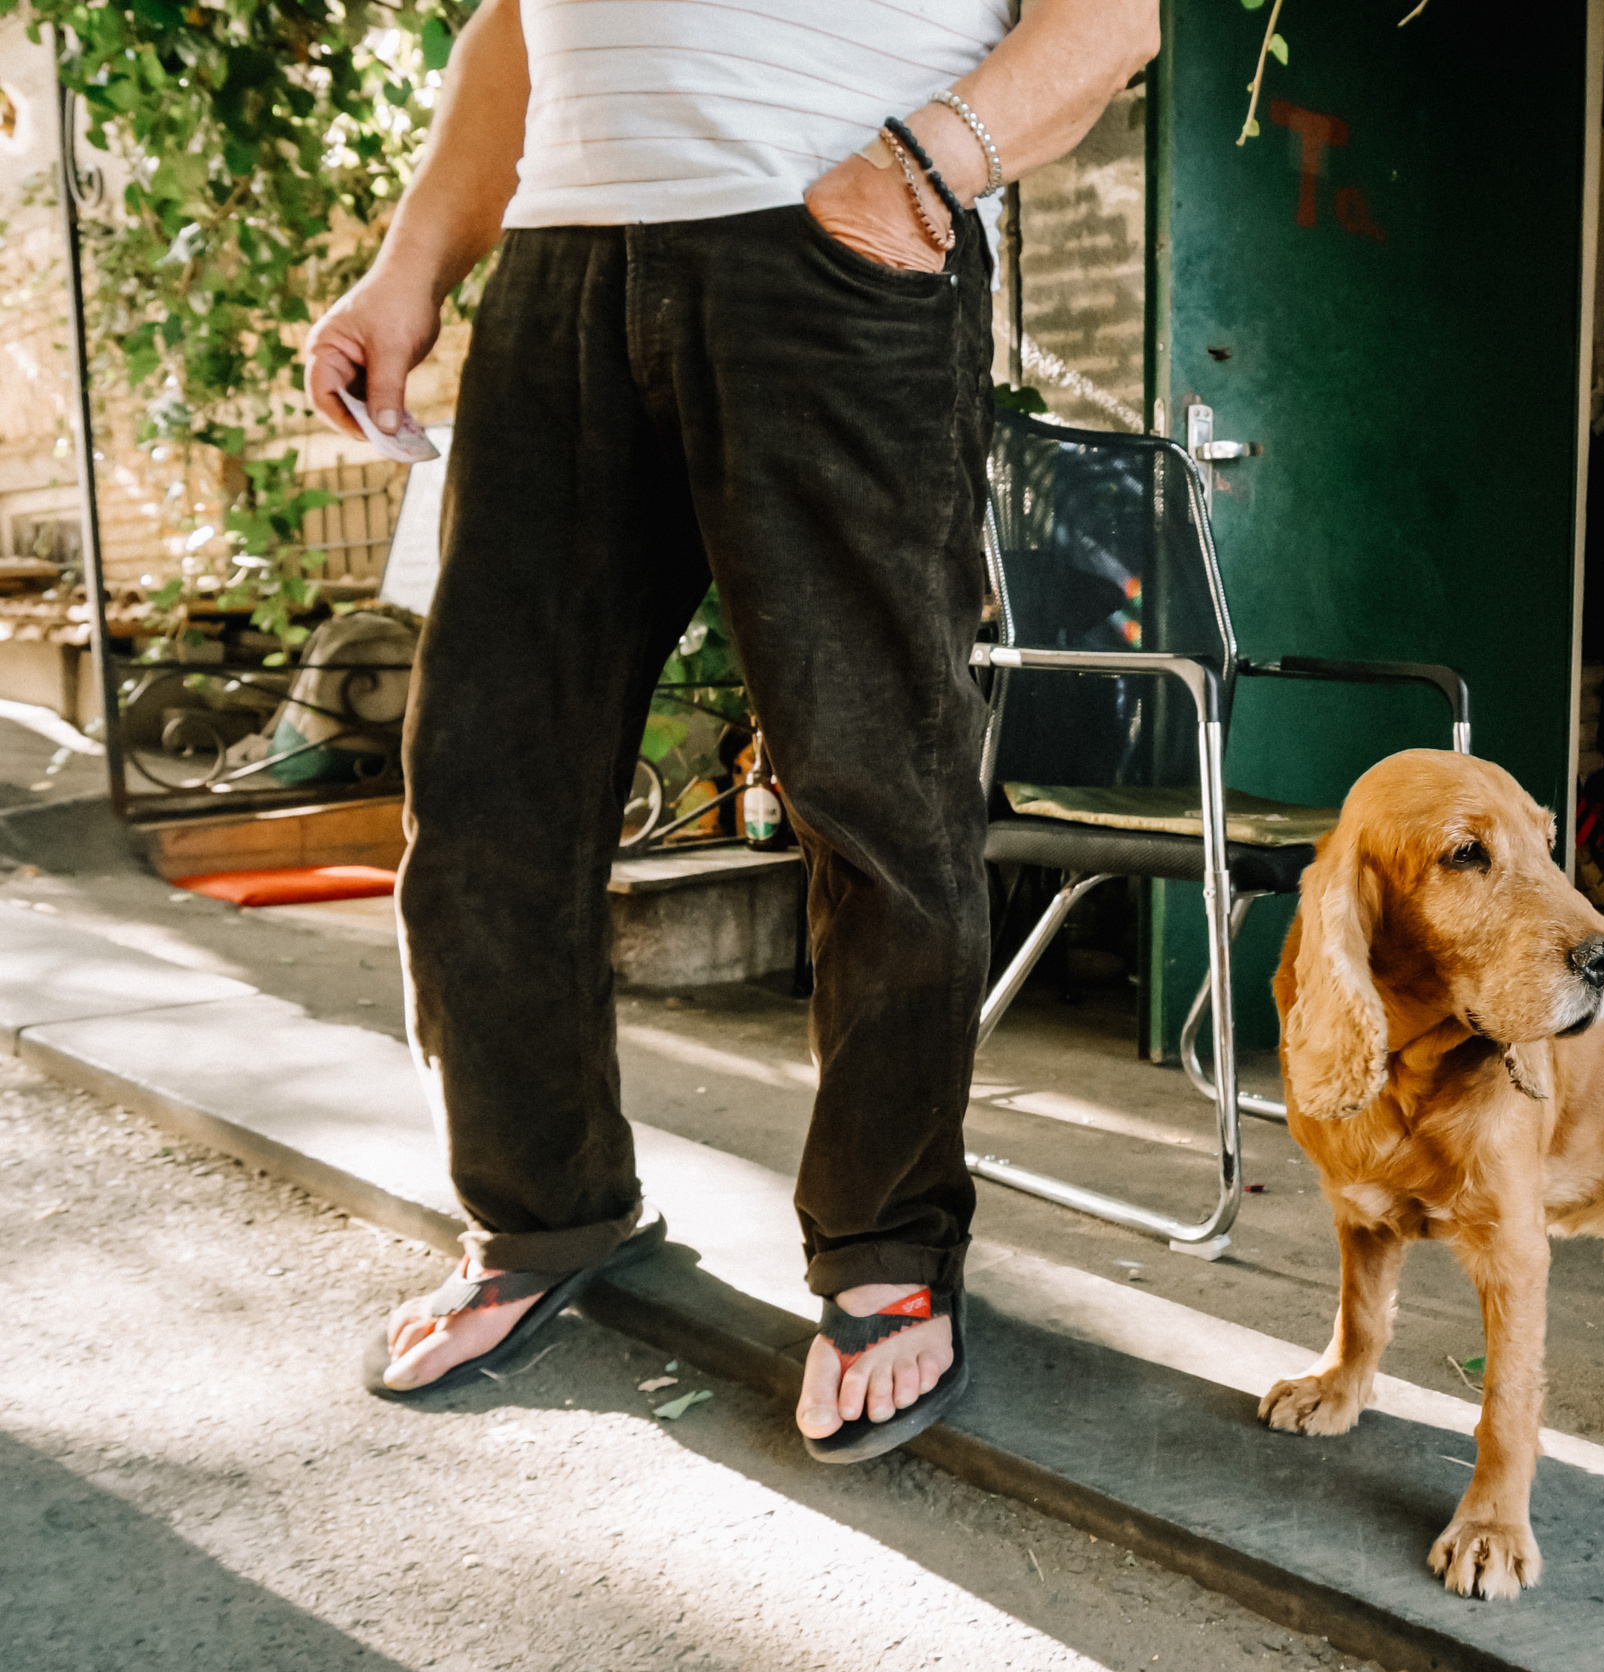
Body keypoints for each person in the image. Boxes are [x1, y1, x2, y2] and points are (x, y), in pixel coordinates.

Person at [306, 0, 1159, 1460]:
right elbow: (515, 26)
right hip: (561, 260)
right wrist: (406, 266)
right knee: (487, 786)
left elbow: (1111, 19)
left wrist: (917, 170)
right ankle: (541, 1207)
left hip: (834, 247)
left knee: (872, 786)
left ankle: (886, 1248)